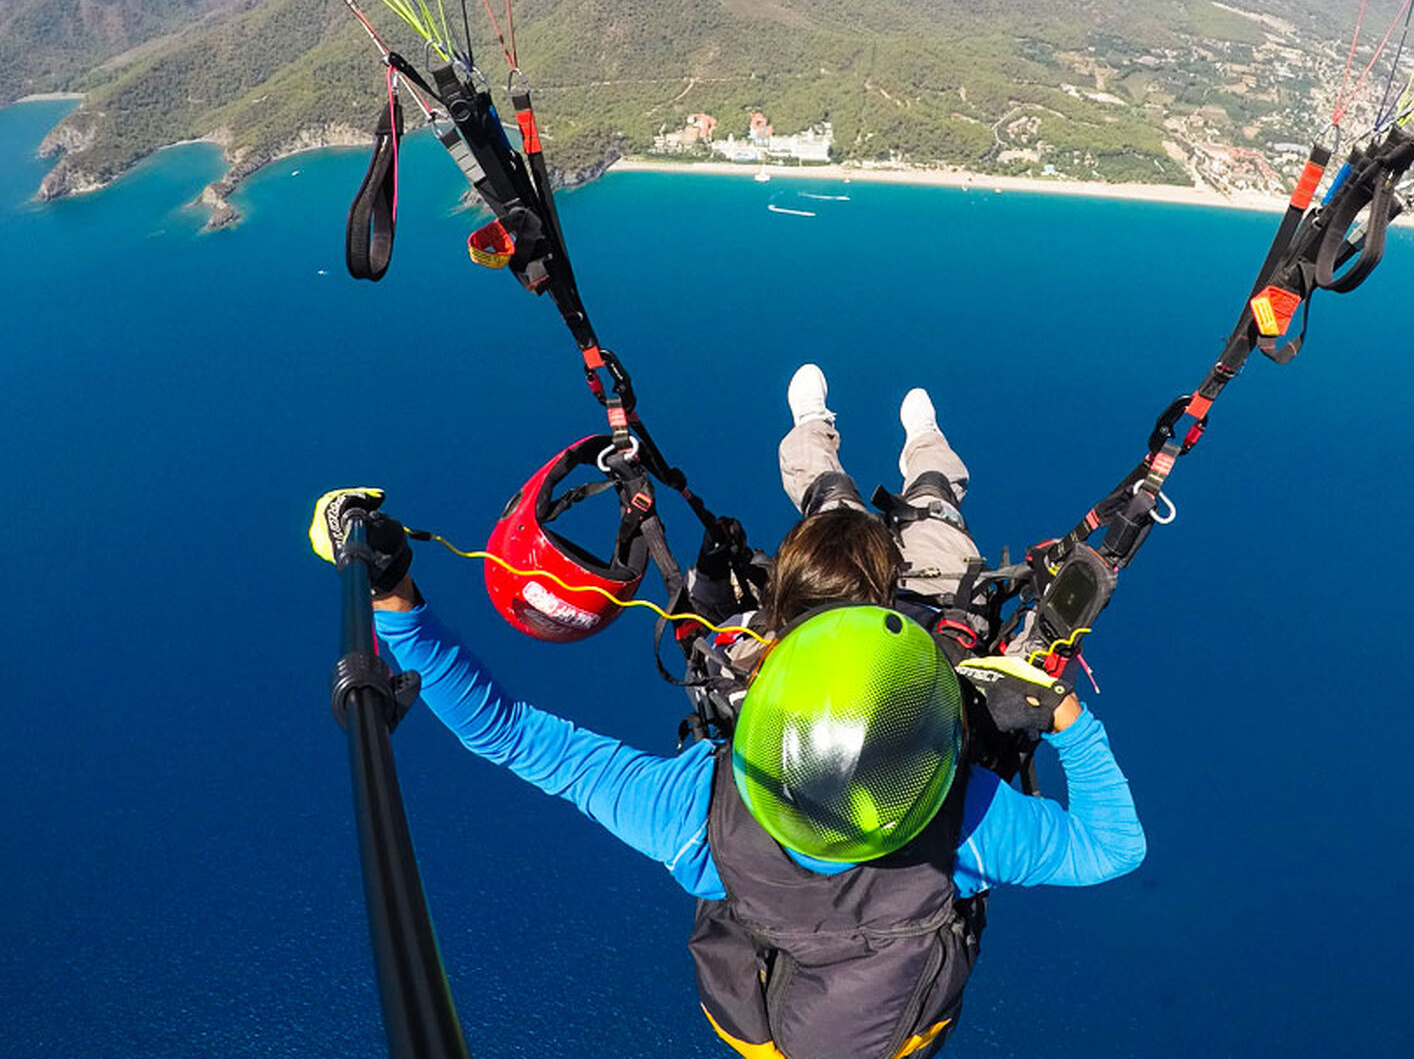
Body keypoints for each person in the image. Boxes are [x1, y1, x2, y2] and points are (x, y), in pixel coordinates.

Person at [315, 366, 1146, 1059]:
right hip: (866, 1014)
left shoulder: (702, 815)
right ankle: (922, 451)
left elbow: (510, 734)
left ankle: (824, 437)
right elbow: (1115, 846)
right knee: (937, 529)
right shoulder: (965, 821)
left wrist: (394, 600)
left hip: (766, 998)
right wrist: (1066, 713)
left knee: (841, 511)